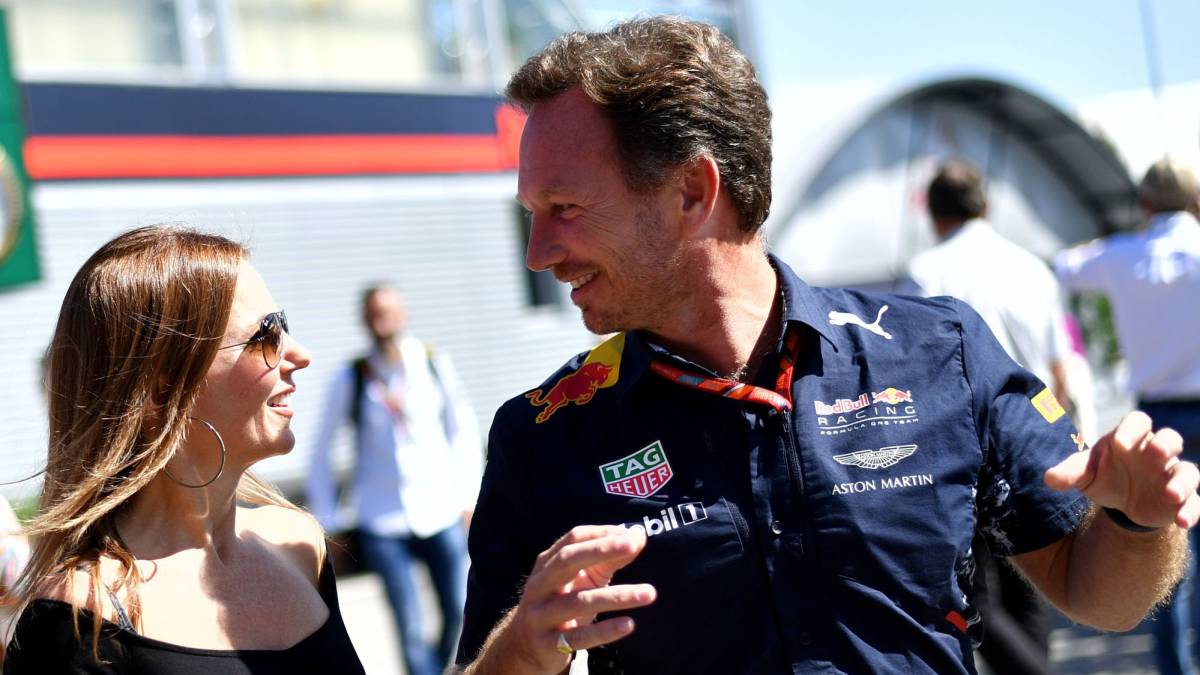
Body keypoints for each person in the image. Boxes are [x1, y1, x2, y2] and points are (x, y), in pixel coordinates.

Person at [452, 17, 1199, 675]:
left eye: (565, 208)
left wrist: (1138, 523)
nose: (539, 253)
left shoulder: (941, 350)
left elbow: (1095, 593)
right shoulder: (542, 434)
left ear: (692, 192)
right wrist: (520, 650)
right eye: (532, 214)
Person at [3, 226, 364, 674]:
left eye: (284, 327)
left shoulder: (298, 545)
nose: (301, 355)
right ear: (160, 390)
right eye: (266, 336)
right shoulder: (79, 619)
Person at [903, 159, 1074, 674]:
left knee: (976, 598)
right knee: (1032, 586)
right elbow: (1060, 368)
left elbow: (914, 373)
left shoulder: (927, 271)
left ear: (933, 215)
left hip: (967, 446)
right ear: (987, 204)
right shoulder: (1031, 267)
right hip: (1036, 438)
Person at [1055, 156, 1200, 675]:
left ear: (1143, 203)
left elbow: (1062, 267)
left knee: (1170, 553)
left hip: (1158, 419)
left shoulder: (1118, 256)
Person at [306, 284, 481, 675]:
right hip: (382, 518)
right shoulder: (352, 377)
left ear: (404, 314)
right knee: (410, 626)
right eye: (374, 313)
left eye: (388, 311)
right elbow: (320, 452)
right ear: (364, 320)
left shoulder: (433, 363)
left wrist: (468, 496)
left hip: (440, 509)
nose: (382, 321)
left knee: (459, 608)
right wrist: (328, 521)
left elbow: (463, 432)